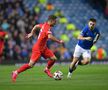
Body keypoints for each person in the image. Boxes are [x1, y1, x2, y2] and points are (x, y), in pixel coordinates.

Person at [12, 15, 64, 82]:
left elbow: (36, 26)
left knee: (53, 58)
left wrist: (32, 33)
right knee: (30, 65)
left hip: (44, 48)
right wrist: (59, 41)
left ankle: (46, 69)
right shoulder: (47, 28)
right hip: (37, 48)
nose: (55, 23)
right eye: (55, 21)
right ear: (51, 20)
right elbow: (50, 37)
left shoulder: (44, 25)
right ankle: (16, 72)